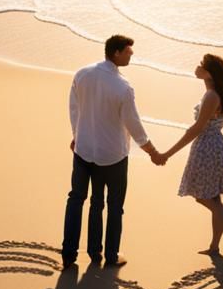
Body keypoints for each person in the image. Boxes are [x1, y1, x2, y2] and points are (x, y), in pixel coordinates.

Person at [61, 34, 163, 268]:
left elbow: (74, 108)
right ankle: (110, 254)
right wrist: (152, 151)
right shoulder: (123, 87)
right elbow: (133, 124)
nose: (131, 55)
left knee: (79, 200)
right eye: (128, 51)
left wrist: (77, 135)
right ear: (116, 52)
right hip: (112, 156)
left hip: (84, 150)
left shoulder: (82, 74)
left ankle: (70, 253)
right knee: (113, 206)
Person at [160, 54, 223, 257]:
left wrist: (168, 153)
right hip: (213, 144)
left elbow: (196, 128)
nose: (197, 67)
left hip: (207, 146)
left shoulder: (211, 96)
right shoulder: (213, 93)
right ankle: (215, 246)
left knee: (205, 197)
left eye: (201, 65)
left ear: (209, 73)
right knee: (212, 198)